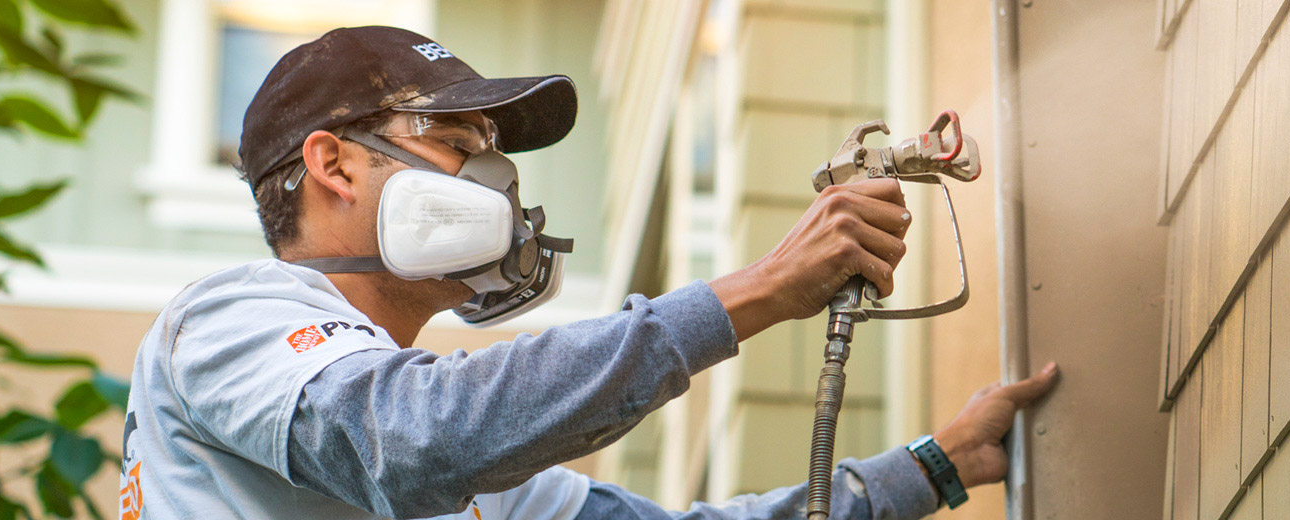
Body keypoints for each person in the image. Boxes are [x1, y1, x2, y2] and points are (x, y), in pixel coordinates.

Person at [119, 26, 1058, 520]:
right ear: (332, 165)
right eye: (451, 143)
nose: (491, 181)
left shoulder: (490, 478)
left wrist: (934, 467)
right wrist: (763, 288)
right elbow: (408, 440)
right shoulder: (225, 320)